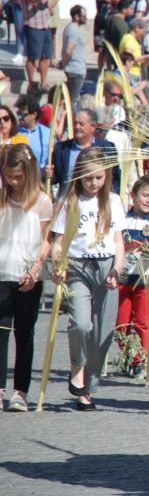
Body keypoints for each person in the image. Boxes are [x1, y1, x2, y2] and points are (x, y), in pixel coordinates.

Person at [50, 146, 126, 411]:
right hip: (78, 265)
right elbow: (58, 241)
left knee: (103, 330)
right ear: (79, 176)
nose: (94, 183)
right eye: (88, 178)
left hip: (106, 266)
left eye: (99, 178)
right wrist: (57, 264)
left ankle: (87, 390)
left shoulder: (113, 201)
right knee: (82, 324)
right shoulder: (70, 201)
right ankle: (77, 365)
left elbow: (118, 241)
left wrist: (117, 269)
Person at [0, 145, 52, 412]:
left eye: (19, 177)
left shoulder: (42, 201)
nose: (14, 182)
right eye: (9, 176)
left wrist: (35, 270)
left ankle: (21, 390)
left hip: (28, 273)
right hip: (2, 270)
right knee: (0, 331)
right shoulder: (2, 197)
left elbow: (45, 241)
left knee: (25, 332)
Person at [115, 175, 149, 379]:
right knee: (121, 324)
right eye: (145, 195)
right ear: (133, 196)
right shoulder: (122, 219)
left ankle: (140, 360)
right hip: (124, 278)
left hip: (144, 279)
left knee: (141, 322)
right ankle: (128, 356)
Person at [48, 108, 117, 195]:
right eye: (75, 123)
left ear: (93, 127)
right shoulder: (61, 148)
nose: (77, 127)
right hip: (69, 200)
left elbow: (115, 179)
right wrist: (48, 174)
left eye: (81, 124)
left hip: (98, 201)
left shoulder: (107, 148)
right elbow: (56, 177)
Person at [17, 0, 61, 91]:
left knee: (45, 55)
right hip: (33, 25)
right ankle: (31, 82)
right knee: (32, 56)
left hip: (44, 24)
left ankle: (43, 81)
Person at [59, 4, 88, 99]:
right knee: (74, 99)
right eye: (84, 15)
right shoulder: (74, 29)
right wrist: (64, 62)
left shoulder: (72, 28)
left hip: (75, 68)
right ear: (76, 17)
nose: (86, 17)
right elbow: (68, 50)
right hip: (75, 69)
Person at [15, 95, 50, 172]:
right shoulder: (14, 132)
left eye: (24, 114)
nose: (20, 117)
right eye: (18, 113)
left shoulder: (46, 133)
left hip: (40, 179)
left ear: (34, 114)